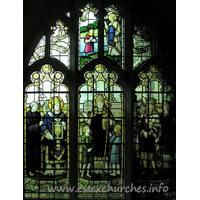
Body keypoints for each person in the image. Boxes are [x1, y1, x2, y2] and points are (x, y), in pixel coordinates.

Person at [88, 94, 115, 173]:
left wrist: (110, 122)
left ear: (104, 103)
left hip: (104, 135)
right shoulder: (93, 112)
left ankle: (105, 168)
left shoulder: (107, 111)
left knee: (104, 150)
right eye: (98, 103)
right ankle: (96, 169)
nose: (99, 105)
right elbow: (90, 123)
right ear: (96, 104)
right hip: (95, 135)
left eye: (101, 103)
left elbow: (112, 122)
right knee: (95, 150)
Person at [41, 96, 67, 176]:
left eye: (59, 105)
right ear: (52, 106)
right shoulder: (48, 116)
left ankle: (60, 170)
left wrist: (65, 125)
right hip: (51, 140)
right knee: (50, 154)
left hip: (61, 140)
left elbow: (68, 127)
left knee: (61, 153)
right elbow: (44, 126)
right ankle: (50, 171)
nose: (58, 107)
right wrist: (47, 133)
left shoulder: (63, 116)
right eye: (56, 105)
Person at [26, 101, 43, 176]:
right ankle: (30, 170)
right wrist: (38, 125)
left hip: (37, 137)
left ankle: (37, 169)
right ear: (31, 107)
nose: (37, 108)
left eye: (37, 106)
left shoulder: (38, 114)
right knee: (30, 154)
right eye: (35, 106)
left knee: (37, 153)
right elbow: (29, 128)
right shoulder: (27, 115)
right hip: (30, 138)